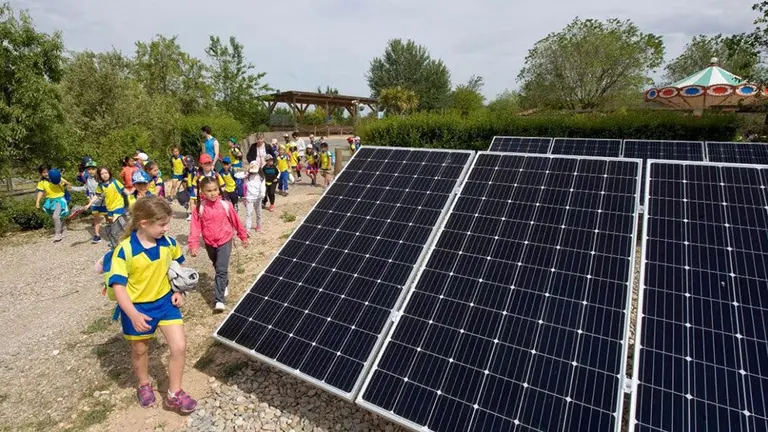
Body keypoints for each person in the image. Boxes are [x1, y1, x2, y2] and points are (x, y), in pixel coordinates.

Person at [107, 196, 197, 413]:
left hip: (166, 303)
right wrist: (133, 314)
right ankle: (144, 384)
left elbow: (178, 267)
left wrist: (179, 291)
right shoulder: (125, 250)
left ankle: (175, 393)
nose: (167, 229)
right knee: (140, 350)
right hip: (138, 308)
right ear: (144, 223)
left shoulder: (169, 243)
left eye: (168, 223)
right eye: (162, 224)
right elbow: (119, 288)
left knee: (179, 347)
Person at [188, 177, 248, 312]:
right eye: (209, 191)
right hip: (209, 243)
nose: (213, 193)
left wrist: (243, 236)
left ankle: (219, 300)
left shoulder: (226, 205)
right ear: (203, 192)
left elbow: (236, 221)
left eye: (215, 189)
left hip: (225, 240)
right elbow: (195, 228)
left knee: (221, 269)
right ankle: (224, 283)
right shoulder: (199, 208)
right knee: (217, 266)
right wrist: (194, 245)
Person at [35, 165, 70, 242]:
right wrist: (37, 201)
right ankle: (64, 228)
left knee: (55, 216)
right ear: (41, 173)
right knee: (57, 217)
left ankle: (57, 234)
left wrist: (63, 184)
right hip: (50, 201)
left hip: (60, 199)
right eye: (43, 172)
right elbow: (40, 192)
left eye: (47, 172)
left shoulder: (58, 178)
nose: (46, 174)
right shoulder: (42, 182)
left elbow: (68, 185)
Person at [243, 161, 264, 234]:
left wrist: (262, 193)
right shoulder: (247, 176)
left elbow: (263, 186)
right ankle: (248, 229)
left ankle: (258, 225)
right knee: (249, 213)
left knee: (259, 213)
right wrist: (245, 173)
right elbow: (237, 175)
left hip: (258, 197)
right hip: (249, 197)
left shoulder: (261, 177)